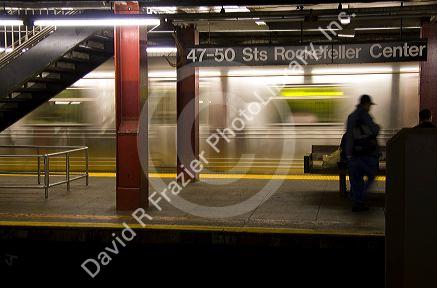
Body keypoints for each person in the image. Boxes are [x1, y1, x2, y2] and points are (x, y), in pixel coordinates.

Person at [345, 95, 381, 212]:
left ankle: (357, 202)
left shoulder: (351, 117)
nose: (370, 107)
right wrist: (377, 127)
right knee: (371, 174)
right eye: (369, 105)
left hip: (354, 154)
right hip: (367, 154)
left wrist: (349, 154)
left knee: (356, 180)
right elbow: (374, 130)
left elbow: (349, 136)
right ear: (366, 104)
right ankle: (361, 196)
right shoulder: (366, 116)